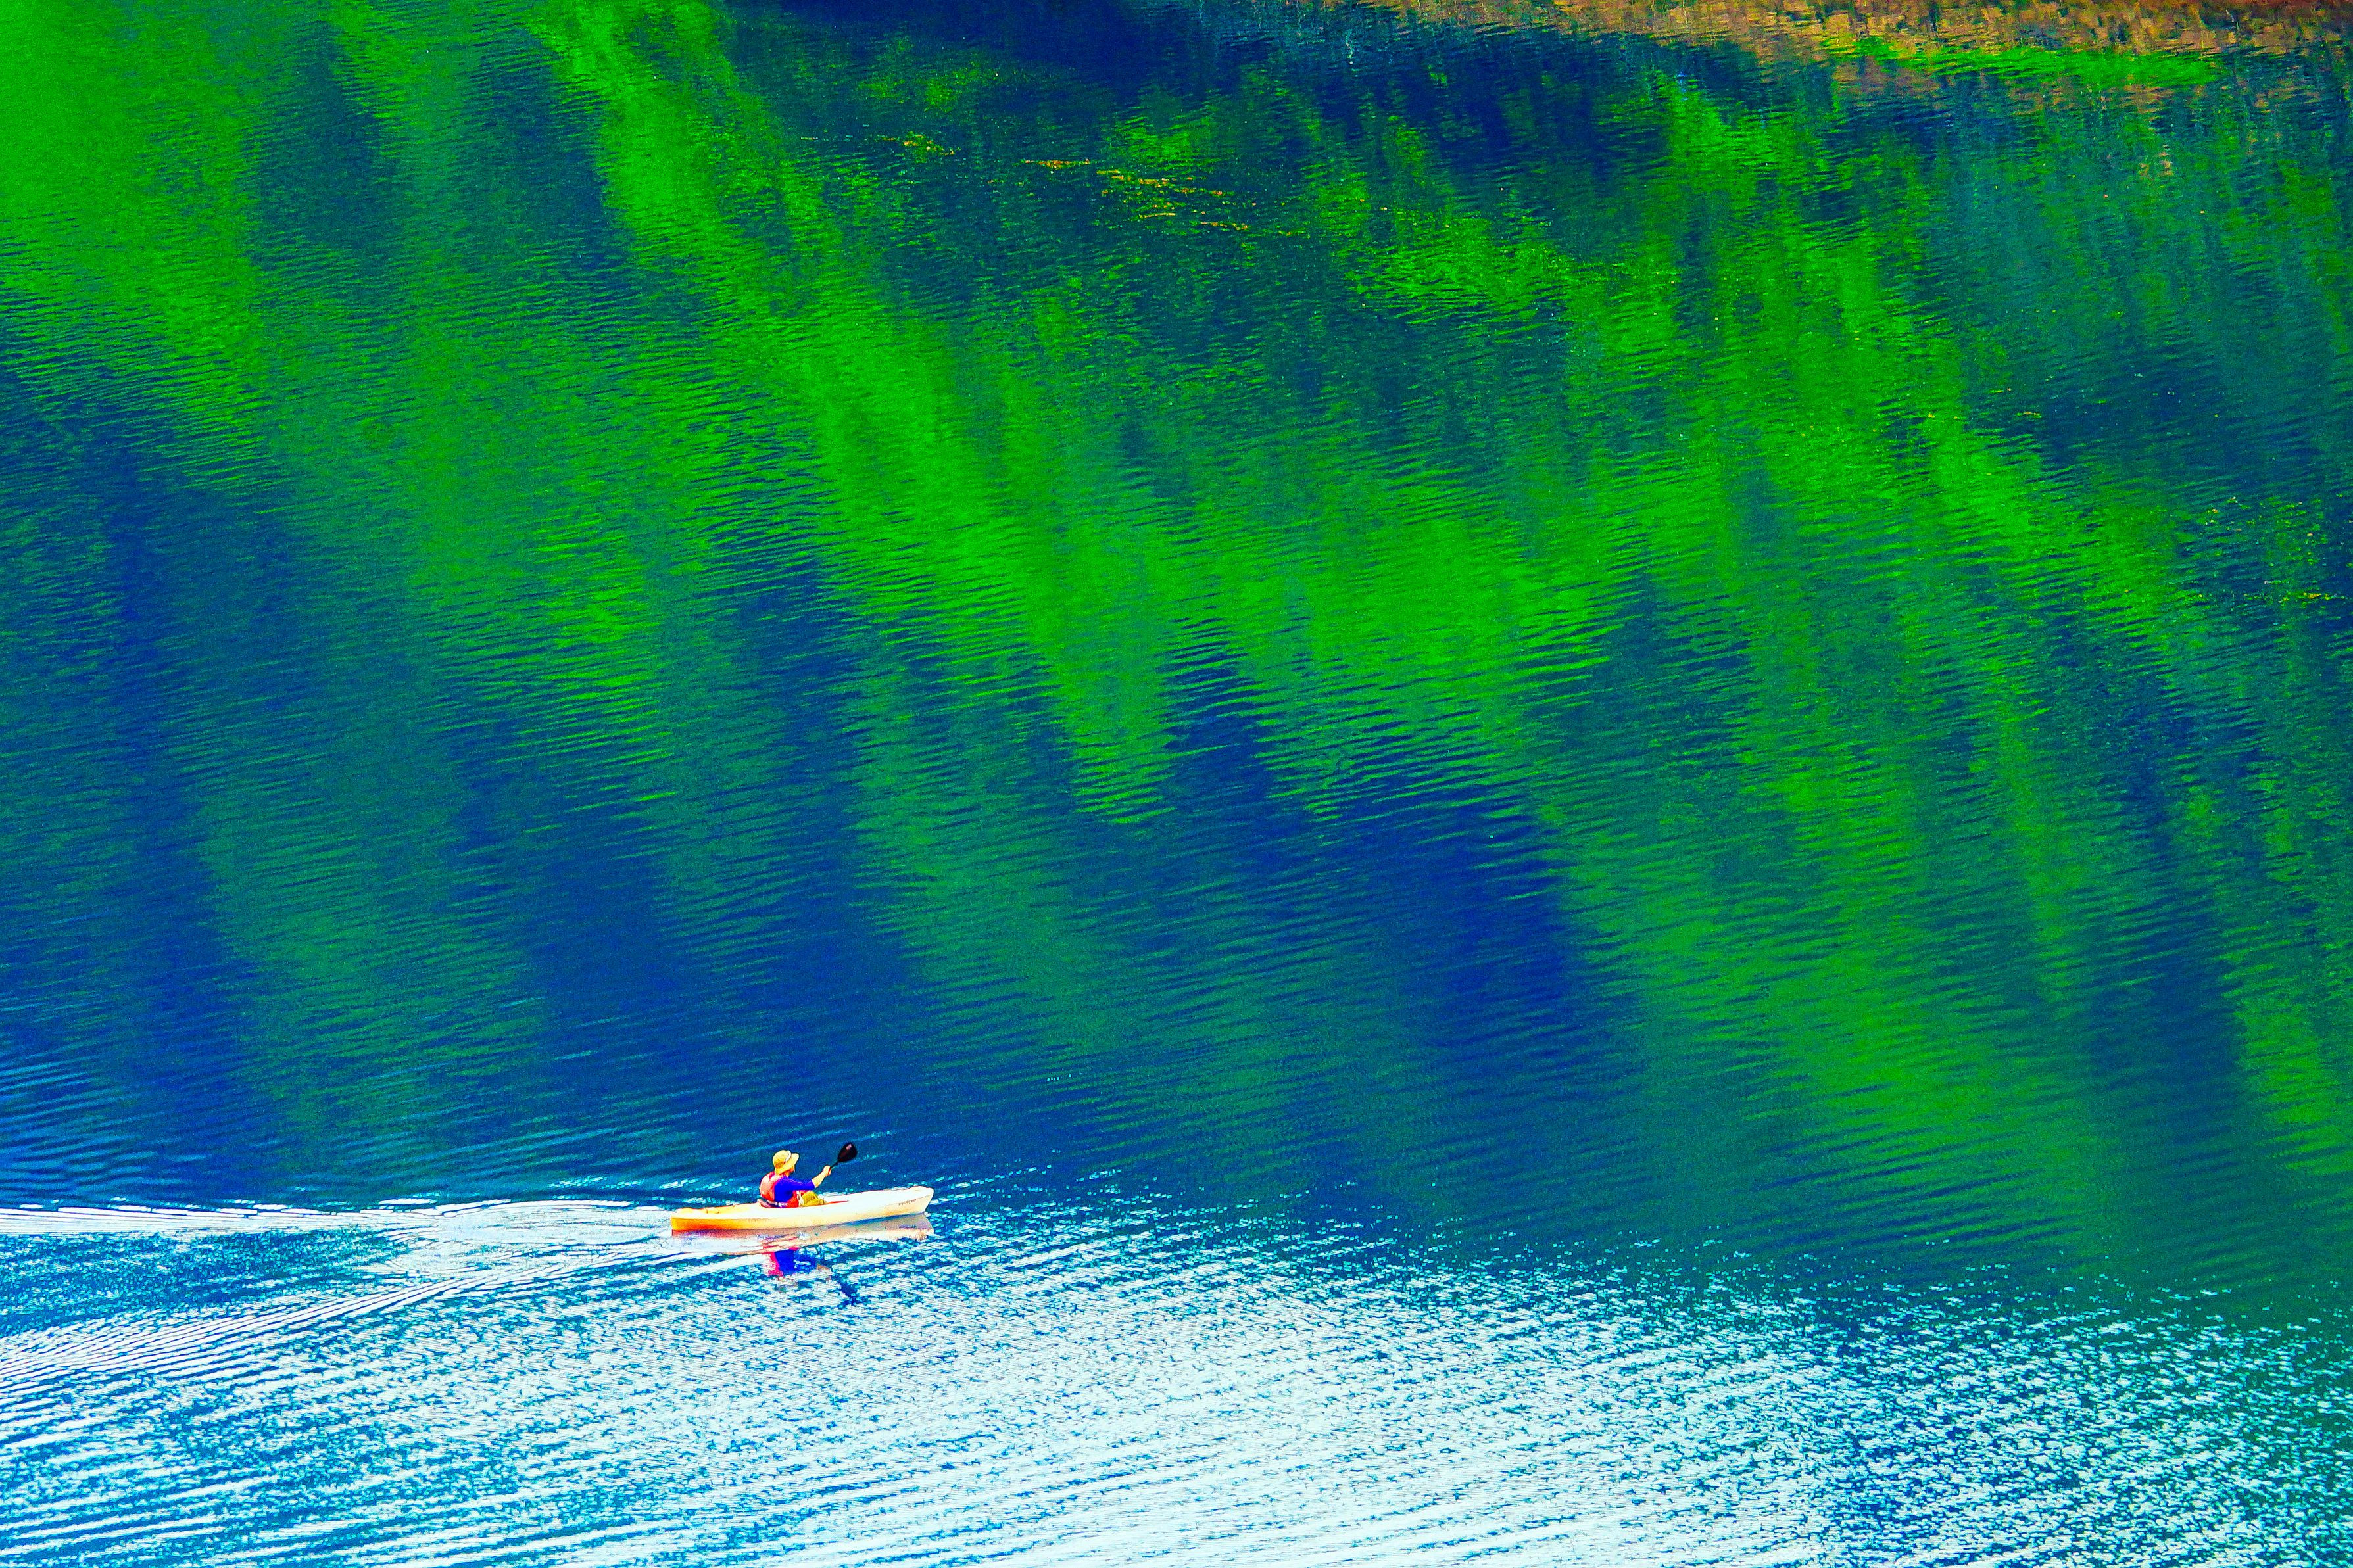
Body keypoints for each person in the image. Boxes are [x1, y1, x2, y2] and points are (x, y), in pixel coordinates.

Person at [759, 1148, 832, 1208]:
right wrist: (824, 1173)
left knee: (811, 1195)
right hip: (788, 1211)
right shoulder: (785, 1182)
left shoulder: (773, 1177)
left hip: (779, 1205)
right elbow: (810, 1185)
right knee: (820, 1202)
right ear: (789, 1166)